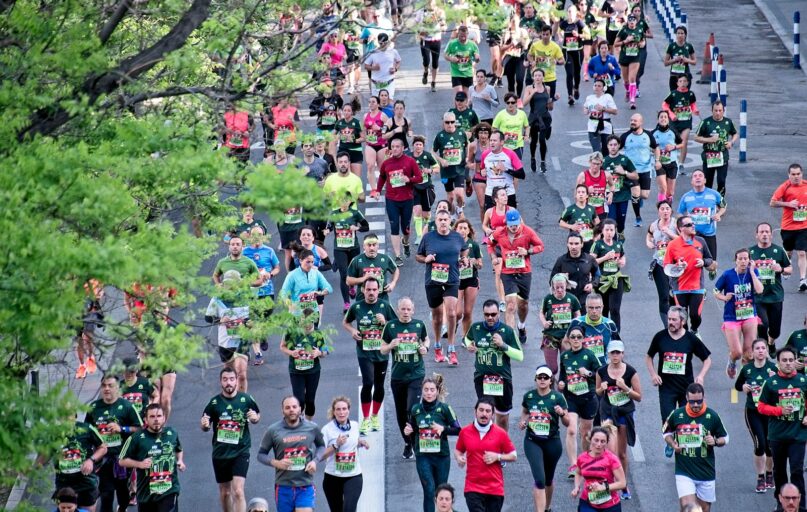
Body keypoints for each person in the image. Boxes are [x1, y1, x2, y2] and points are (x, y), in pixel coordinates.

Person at [646, 306, 712, 450]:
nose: (670, 322)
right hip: (666, 388)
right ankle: (670, 442)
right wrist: (653, 375)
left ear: (682, 321)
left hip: (685, 388)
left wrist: (701, 376)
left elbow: (707, 360)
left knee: (684, 421)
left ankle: (681, 445)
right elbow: (649, 356)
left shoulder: (691, 339)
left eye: (674, 320)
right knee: (667, 419)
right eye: (669, 319)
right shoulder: (660, 337)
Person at [342, 276, 397, 434]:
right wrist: (353, 331)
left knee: (379, 385)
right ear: (363, 290)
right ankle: (365, 419)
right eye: (368, 290)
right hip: (364, 351)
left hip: (381, 351)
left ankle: (374, 416)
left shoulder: (385, 306)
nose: (371, 292)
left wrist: (385, 322)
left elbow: (396, 326)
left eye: (374, 290)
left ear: (378, 290)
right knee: (368, 383)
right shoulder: (357, 307)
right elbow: (346, 322)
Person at [201, 368, 261, 512]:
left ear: (236, 380)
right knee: (225, 493)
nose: (229, 383)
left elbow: (256, 415)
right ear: (221, 382)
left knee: (238, 491)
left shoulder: (245, 399)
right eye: (225, 379)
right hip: (221, 452)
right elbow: (205, 424)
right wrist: (204, 425)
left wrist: (255, 418)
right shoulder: (214, 403)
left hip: (241, 450)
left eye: (231, 379)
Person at [663, 383, 728, 512]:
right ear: (687, 398)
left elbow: (725, 438)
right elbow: (666, 432)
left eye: (699, 401)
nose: (696, 405)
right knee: (688, 506)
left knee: (703, 509)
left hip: (706, 472)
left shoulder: (712, 416)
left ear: (704, 398)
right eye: (692, 402)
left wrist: (714, 441)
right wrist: (673, 444)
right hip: (684, 471)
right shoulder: (677, 414)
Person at [380, 297, 431, 458]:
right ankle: (408, 442)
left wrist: (425, 348)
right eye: (403, 309)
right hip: (398, 376)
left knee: (412, 408)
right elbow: (382, 349)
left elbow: (426, 339)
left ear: (413, 310)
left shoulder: (418, 325)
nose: (406, 312)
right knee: (401, 413)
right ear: (398, 309)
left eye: (409, 309)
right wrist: (390, 346)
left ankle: (416, 442)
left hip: (416, 373)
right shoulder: (391, 326)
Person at [757, 346, 807, 509]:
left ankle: (802, 506)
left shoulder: (802, 381)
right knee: (779, 472)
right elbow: (761, 406)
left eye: (791, 360)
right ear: (778, 363)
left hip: (798, 435)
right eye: (784, 360)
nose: (788, 363)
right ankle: (781, 504)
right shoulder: (771, 383)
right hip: (777, 435)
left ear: (795, 362)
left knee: (797, 471)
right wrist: (778, 410)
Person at [464, 299, 524, 431]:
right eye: (487, 314)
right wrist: (469, 345)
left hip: (502, 380)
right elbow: (467, 338)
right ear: (483, 314)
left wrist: (503, 345)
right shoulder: (476, 328)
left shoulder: (507, 331)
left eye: (493, 314)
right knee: (486, 414)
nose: (490, 317)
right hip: (482, 378)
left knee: (502, 418)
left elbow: (520, 356)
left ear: (499, 313)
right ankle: (487, 445)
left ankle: (502, 447)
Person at [417, 209, 468, 365]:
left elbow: (465, 250)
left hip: (452, 280)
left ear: (450, 222)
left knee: (452, 313)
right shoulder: (428, 238)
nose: (443, 222)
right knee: (438, 317)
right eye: (440, 219)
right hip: (433, 282)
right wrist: (426, 259)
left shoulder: (457, 237)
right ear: (436, 221)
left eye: (446, 219)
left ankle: (451, 348)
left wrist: (464, 259)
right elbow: (418, 256)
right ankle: (438, 345)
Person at [85, 375, 142, 512]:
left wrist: (121, 429)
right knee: (106, 493)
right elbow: (86, 431)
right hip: (103, 458)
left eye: (110, 385)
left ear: (117, 388)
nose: (106, 389)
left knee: (123, 493)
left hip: (122, 458)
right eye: (104, 385)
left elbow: (140, 428)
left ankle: (122, 508)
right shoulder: (93, 407)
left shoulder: (126, 406)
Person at [257, 396, 325, 512]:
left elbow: (321, 446)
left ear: (300, 409)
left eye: (294, 407)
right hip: (284, 486)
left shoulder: (312, 427)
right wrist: (276, 462)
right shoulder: (273, 430)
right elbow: (261, 455)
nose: (291, 410)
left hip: (305, 485)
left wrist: (315, 461)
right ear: (282, 410)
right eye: (287, 408)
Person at [404, 376, 461, 512]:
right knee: (429, 489)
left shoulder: (445, 409)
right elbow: (412, 429)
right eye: (426, 390)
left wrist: (444, 429)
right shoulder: (415, 409)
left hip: (442, 457)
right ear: (422, 391)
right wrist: (408, 431)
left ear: (437, 391)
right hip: (423, 456)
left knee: (440, 492)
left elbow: (459, 430)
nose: (429, 393)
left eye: (432, 390)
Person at [487, 209, 544, 341]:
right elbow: (489, 243)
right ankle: (510, 338)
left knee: (523, 305)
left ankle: (521, 326)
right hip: (508, 273)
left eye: (516, 224)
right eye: (511, 225)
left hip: (524, 272)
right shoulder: (499, 233)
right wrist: (493, 256)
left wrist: (528, 251)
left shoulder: (527, 231)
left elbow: (540, 246)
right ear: (506, 223)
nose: (514, 227)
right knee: (511, 305)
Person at [519, 366, 570, 512]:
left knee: (548, 479)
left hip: (552, 442)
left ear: (550, 380)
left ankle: (547, 507)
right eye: (539, 377)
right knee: (539, 479)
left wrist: (561, 414)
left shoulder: (558, 397)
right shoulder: (529, 396)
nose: (542, 380)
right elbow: (524, 411)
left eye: (545, 378)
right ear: (535, 379)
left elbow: (567, 423)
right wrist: (523, 421)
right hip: (532, 441)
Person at [595, 340, 641, 500]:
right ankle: (609, 484)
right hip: (608, 412)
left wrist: (626, 388)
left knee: (621, 453)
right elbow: (598, 393)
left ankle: (623, 483)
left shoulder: (630, 372)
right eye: (612, 353)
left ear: (623, 354)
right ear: (608, 354)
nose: (615, 356)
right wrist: (602, 388)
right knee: (610, 451)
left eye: (618, 353)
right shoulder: (601, 371)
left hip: (624, 413)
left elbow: (639, 397)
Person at [454, 398, 517, 512]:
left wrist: (497, 456)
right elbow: (458, 450)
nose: (484, 414)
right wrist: (459, 458)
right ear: (475, 411)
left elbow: (513, 455)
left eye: (488, 411)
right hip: (472, 488)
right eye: (481, 410)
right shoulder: (465, 432)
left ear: (493, 414)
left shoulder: (500, 433)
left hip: (495, 489)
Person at [119, 404, 185, 512]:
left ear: (164, 418)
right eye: (152, 416)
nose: (156, 420)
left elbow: (178, 449)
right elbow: (121, 461)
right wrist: (139, 464)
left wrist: (180, 461)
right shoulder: (136, 438)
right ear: (145, 419)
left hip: (169, 489)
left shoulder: (171, 433)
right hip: (146, 493)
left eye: (159, 416)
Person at [734, 338, 777, 493]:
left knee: (770, 445)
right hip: (753, 411)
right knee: (760, 445)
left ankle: (770, 473)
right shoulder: (747, 369)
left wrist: (774, 380)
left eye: (763, 348)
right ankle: (760, 477)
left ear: (766, 351)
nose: (760, 351)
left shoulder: (773, 369)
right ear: (752, 352)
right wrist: (744, 387)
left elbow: (781, 391)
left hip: (770, 412)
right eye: (757, 348)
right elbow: (737, 385)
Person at [557, 324, 600, 479]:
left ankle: (586, 461)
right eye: (573, 337)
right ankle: (574, 465)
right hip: (571, 398)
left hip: (588, 398)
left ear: (583, 338)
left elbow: (600, 375)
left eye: (579, 337)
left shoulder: (589, 355)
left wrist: (588, 373)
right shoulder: (565, 356)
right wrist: (560, 384)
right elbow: (562, 376)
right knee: (571, 430)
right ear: (568, 339)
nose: (576, 340)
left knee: (585, 433)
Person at [714, 249, 764, 378]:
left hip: (749, 315)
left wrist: (752, 272)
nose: (743, 261)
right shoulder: (727, 275)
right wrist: (724, 298)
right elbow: (715, 290)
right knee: (737, 352)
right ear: (735, 260)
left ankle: (745, 377)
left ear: (749, 260)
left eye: (745, 258)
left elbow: (759, 290)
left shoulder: (753, 272)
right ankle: (732, 361)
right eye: (740, 259)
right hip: (732, 317)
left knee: (748, 353)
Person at [663, 215, 716, 335]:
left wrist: (704, 262)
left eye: (693, 223)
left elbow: (709, 258)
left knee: (695, 315)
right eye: (689, 225)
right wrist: (678, 266)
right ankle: (685, 336)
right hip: (680, 287)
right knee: (682, 317)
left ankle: (694, 330)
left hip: (697, 286)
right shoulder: (673, 245)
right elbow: (666, 266)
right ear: (680, 228)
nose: (693, 226)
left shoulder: (700, 241)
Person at [373, 138, 422, 266]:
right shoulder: (386, 163)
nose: (394, 149)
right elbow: (382, 176)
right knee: (394, 227)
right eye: (392, 147)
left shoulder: (410, 161)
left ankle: (405, 242)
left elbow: (419, 177)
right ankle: (398, 255)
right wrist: (377, 190)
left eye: (397, 146)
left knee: (405, 228)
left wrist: (409, 179)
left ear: (402, 148)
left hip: (407, 199)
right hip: (391, 199)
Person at [319, 396, 369, 512]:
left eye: (344, 409)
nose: (341, 412)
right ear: (334, 411)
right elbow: (320, 456)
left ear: (348, 410)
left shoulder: (355, 425)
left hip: (353, 475)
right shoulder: (327, 430)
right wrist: (335, 445)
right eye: (338, 409)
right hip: (332, 477)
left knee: (349, 509)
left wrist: (361, 442)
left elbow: (353, 441)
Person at [48, 417, 107, 512]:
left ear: (74, 415)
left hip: (86, 482)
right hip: (64, 484)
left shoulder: (87, 428)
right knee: (65, 509)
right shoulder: (53, 433)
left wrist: (91, 460)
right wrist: (31, 468)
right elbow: (46, 453)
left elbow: (103, 448)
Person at [750, 222, 792, 353]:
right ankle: (763, 351)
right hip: (758, 296)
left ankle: (771, 341)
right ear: (756, 235)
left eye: (767, 232)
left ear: (771, 235)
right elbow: (741, 268)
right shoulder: (751, 252)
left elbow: (790, 269)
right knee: (762, 325)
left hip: (775, 295)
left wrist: (781, 269)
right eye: (761, 232)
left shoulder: (778, 250)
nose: (764, 235)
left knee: (775, 330)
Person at [243, 225, 281, 364]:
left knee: (265, 318)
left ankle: (263, 334)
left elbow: (277, 268)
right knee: (252, 322)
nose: (257, 237)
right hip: (251, 292)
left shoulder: (269, 251)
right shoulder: (244, 252)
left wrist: (270, 274)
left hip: (267, 291)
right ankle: (258, 354)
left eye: (259, 234)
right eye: (254, 234)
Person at [281, 309, 328, 420]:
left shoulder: (318, 333)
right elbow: (282, 346)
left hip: (313, 371)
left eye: (309, 322)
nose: (306, 325)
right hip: (296, 371)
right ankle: (299, 423)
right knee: (299, 400)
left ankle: (308, 424)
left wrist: (319, 353)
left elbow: (326, 350)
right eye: (304, 322)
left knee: (310, 400)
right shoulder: (291, 332)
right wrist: (291, 352)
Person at [770, 163, 807, 292]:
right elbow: (772, 202)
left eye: (798, 174)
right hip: (788, 226)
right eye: (793, 174)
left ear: (802, 174)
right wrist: (788, 204)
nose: (796, 177)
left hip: (803, 226)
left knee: (802, 252)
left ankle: (803, 280)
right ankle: (787, 265)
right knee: (788, 252)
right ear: (789, 175)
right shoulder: (785, 187)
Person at [677, 169, 725, 267]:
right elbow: (679, 214)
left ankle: (711, 268)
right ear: (692, 181)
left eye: (700, 176)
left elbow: (723, 206)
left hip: (709, 233)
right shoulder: (686, 197)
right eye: (695, 176)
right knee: (691, 263)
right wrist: (685, 219)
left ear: (705, 180)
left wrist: (718, 214)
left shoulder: (714, 194)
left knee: (712, 266)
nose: (697, 177)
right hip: (692, 234)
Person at [572, 427, 627, 512]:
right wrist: (576, 487)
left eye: (603, 441)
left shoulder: (612, 459)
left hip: (610, 505)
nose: (599, 444)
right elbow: (578, 473)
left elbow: (622, 483)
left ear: (607, 443)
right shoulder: (582, 458)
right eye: (596, 440)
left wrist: (604, 487)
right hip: (588, 502)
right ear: (590, 440)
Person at [619, 113, 660, 227]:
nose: (632, 122)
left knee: (644, 195)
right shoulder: (625, 136)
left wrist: (657, 160)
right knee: (635, 192)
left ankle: (638, 199)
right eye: (631, 120)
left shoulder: (648, 135)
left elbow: (656, 148)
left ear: (641, 122)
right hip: (632, 171)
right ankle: (638, 217)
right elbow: (616, 149)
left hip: (645, 169)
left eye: (635, 121)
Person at [540, 274, 582, 375]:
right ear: (553, 286)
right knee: (552, 369)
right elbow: (541, 312)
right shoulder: (548, 299)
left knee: (567, 367)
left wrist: (575, 327)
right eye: (557, 287)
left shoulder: (572, 298)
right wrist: (544, 322)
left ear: (566, 285)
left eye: (562, 287)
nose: (559, 290)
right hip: (551, 336)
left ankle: (564, 388)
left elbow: (578, 314)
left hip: (567, 337)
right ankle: (550, 388)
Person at [693, 101, 737, 197]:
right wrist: (709, 140)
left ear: (723, 111)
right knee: (708, 182)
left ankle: (720, 202)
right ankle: (708, 201)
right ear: (712, 110)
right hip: (709, 157)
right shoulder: (705, 122)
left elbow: (735, 133)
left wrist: (731, 142)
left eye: (720, 110)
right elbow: (696, 137)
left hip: (722, 156)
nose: (717, 113)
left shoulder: (728, 122)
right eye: (715, 110)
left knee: (721, 181)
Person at [646, 200, 679, 326]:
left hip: (675, 265)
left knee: (674, 295)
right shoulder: (654, 225)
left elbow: (683, 239)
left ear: (671, 210)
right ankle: (667, 326)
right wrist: (649, 242)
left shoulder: (676, 224)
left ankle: (678, 322)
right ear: (658, 211)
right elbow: (649, 235)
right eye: (662, 209)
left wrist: (669, 233)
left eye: (667, 209)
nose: (665, 211)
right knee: (664, 296)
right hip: (659, 264)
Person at [591, 219, 627, 331]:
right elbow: (591, 262)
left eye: (612, 230)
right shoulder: (597, 244)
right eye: (607, 230)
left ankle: (616, 334)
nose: (609, 232)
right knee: (604, 309)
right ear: (602, 231)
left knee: (615, 309)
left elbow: (622, 257)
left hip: (616, 279)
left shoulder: (618, 245)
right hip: (602, 281)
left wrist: (622, 262)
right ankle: (604, 332)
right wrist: (605, 258)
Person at [432, 112, 469, 216]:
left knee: (459, 194)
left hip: (459, 169)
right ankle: (451, 215)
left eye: (452, 122)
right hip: (446, 172)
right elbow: (432, 152)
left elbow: (467, 145)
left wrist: (467, 157)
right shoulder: (440, 136)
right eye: (447, 122)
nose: (450, 124)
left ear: (455, 122)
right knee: (451, 196)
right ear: (443, 123)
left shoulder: (461, 133)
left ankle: (460, 209)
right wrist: (441, 160)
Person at [346, 233, 400, 302]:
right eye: (369, 245)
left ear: (378, 246)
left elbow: (396, 270)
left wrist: (393, 283)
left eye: (374, 245)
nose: (371, 248)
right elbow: (348, 281)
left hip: (382, 301)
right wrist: (363, 278)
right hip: (362, 301)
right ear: (364, 246)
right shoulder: (356, 260)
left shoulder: (385, 259)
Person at [662, 75, 699, 176]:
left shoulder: (690, 94)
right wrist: (671, 114)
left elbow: (692, 104)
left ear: (687, 83)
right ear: (677, 83)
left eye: (684, 81)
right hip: (674, 122)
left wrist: (695, 110)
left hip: (686, 121)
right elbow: (664, 105)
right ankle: (670, 162)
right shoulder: (673, 94)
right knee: (672, 142)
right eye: (680, 81)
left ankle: (681, 164)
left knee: (684, 142)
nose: (682, 83)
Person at [279, 249, 333, 316]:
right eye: (308, 262)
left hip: (313, 312)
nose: (310, 265)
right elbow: (284, 293)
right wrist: (290, 305)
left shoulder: (316, 273)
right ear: (300, 261)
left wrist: (320, 293)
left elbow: (329, 288)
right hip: (297, 313)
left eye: (312, 262)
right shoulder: (292, 275)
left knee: (313, 326)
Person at [550, 233, 600, 306]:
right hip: (567, 299)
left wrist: (592, 284)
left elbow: (597, 274)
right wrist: (561, 278)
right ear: (567, 244)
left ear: (582, 244)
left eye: (576, 244)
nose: (573, 246)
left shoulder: (590, 259)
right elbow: (552, 280)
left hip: (584, 299)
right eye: (571, 243)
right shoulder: (561, 260)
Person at [604, 135, 638, 238]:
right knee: (611, 220)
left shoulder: (625, 160)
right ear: (607, 146)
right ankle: (613, 242)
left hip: (623, 195)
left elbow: (635, 175)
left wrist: (624, 172)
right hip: (610, 196)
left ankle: (621, 231)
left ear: (619, 145)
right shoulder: (604, 161)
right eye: (611, 145)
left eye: (615, 144)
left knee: (621, 220)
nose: (613, 147)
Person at [481, 132, 524, 210]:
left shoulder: (511, 154)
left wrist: (506, 170)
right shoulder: (485, 154)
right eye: (490, 140)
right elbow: (482, 169)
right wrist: (482, 172)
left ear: (502, 142)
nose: (492, 143)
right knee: (492, 221)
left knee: (511, 221)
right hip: (491, 193)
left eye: (495, 140)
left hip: (508, 193)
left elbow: (522, 175)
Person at [522, 68, 554, 173]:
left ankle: (543, 162)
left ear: (543, 77)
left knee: (542, 140)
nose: (538, 78)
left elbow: (550, 107)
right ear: (533, 77)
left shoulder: (547, 88)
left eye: (540, 75)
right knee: (534, 141)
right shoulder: (529, 88)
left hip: (545, 117)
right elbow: (524, 103)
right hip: (534, 118)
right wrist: (533, 93)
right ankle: (532, 158)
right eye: (535, 76)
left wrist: (553, 101)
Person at [455, 219, 483, 336]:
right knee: (458, 313)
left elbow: (480, 265)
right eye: (460, 228)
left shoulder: (474, 245)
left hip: (471, 280)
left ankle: (465, 337)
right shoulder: (452, 244)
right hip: (456, 281)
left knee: (467, 312)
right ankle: (453, 323)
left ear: (469, 231)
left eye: (465, 228)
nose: (462, 230)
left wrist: (474, 262)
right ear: (455, 230)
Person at [614, 14, 645, 109]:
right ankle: (628, 91)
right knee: (626, 80)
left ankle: (632, 100)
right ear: (628, 21)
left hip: (635, 57)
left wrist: (642, 44)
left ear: (636, 21)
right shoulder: (623, 30)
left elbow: (643, 41)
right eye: (630, 20)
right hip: (624, 57)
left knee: (632, 78)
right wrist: (625, 41)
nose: (632, 22)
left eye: (633, 20)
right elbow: (615, 44)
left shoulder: (639, 30)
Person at [652, 110, 683, 202]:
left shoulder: (673, 131)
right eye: (661, 117)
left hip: (672, 163)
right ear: (658, 120)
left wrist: (674, 147)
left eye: (665, 117)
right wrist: (655, 149)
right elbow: (649, 146)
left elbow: (681, 144)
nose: (663, 119)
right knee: (662, 188)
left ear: (668, 120)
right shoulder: (653, 133)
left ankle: (668, 209)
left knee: (670, 192)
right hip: (660, 164)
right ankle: (661, 208)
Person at [416, 0, 447, 92]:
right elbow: (416, 25)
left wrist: (442, 29)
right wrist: (420, 32)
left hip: (436, 40)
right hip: (425, 40)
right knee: (426, 61)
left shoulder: (440, 12)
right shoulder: (421, 12)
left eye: (432, 2)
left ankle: (433, 82)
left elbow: (444, 25)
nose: (430, 3)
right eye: (428, 2)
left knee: (435, 62)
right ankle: (425, 71)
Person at [527, 25, 564, 101]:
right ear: (541, 34)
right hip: (538, 78)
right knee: (538, 101)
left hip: (550, 78)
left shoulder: (555, 47)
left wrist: (556, 62)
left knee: (550, 104)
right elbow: (529, 55)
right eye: (543, 34)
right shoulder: (535, 45)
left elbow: (562, 60)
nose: (545, 37)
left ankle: (553, 100)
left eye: (547, 34)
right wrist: (532, 61)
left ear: (550, 35)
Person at [559, 184, 600, 252]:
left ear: (587, 195)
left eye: (583, 192)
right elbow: (561, 222)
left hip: (588, 241)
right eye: (579, 192)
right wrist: (571, 226)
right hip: (575, 243)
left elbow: (597, 221)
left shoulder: (591, 208)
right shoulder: (570, 209)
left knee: (588, 261)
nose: (581, 194)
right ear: (576, 195)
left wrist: (595, 233)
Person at [576, 152, 613, 223]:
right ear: (590, 162)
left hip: (602, 210)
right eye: (593, 163)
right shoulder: (583, 176)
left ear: (601, 163)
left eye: (598, 164)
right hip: (586, 210)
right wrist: (586, 190)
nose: (595, 166)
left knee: (600, 233)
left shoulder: (606, 175)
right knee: (588, 233)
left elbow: (612, 185)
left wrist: (611, 193)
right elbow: (576, 195)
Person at [583, 78, 618, 154]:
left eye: (599, 86)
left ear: (604, 88)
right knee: (596, 151)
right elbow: (585, 106)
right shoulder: (589, 98)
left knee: (607, 150)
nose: (596, 87)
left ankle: (605, 165)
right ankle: (598, 164)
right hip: (593, 125)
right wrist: (585, 110)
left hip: (605, 124)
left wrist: (603, 109)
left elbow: (615, 111)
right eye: (595, 85)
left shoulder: (607, 97)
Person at [492, 92, 530, 160]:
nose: (510, 104)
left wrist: (526, 136)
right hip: (504, 146)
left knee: (517, 167)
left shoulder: (522, 114)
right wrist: (501, 137)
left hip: (518, 145)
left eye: (512, 102)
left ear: (516, 103)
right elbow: (493, 128)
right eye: (508, 102)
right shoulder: (501, 114)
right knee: (505, 167)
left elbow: (527, 126)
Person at [445, 25, 480, 95]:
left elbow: (477, 59)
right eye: (461, 36)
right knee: (459, 95)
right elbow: (445, 55)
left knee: (466, 95)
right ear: (458, 34)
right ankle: (457, 106)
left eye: (465, 36)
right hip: (456, 73)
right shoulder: (452, 43)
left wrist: (477, 58)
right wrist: (451, 59)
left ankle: (466, 106)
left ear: (467, 34)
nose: (463, 38)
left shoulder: (472, 45)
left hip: (468, 74)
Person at [364, 33, 401, 97]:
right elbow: (366, 65)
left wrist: (395, 69)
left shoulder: (393, 51)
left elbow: (398, 61)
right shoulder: (373, 52)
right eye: (381, 43)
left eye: (385, 43)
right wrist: (374, 68)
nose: (383, 45)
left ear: (388, 42)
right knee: (377, 104)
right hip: (376, 83)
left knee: (389, 103)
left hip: (389, 82)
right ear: (378, 42)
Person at [335, 103, 364, 178]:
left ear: (352, 112)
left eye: (348, 110)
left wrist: (353, 140)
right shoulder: (339, 123)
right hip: (343, 151)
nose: (346, 112)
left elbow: (364, 138)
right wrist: (337, 137)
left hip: (355, 151)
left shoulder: (358, 123)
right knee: (343, 177)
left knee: (356, 178)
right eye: (344, 110)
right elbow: (332, 135)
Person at [664, 26, 696, 92]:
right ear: (676, 35)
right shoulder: (671, 46)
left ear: (685, 35)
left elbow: (694, 62)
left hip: (685, 75)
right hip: (674, 76)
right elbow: (666, 63)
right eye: (678, 33)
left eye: (682, 33)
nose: (680, 35)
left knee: (684, 96)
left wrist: (686, 60)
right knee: (674, 97)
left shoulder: (689, 46)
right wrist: (675, 60)